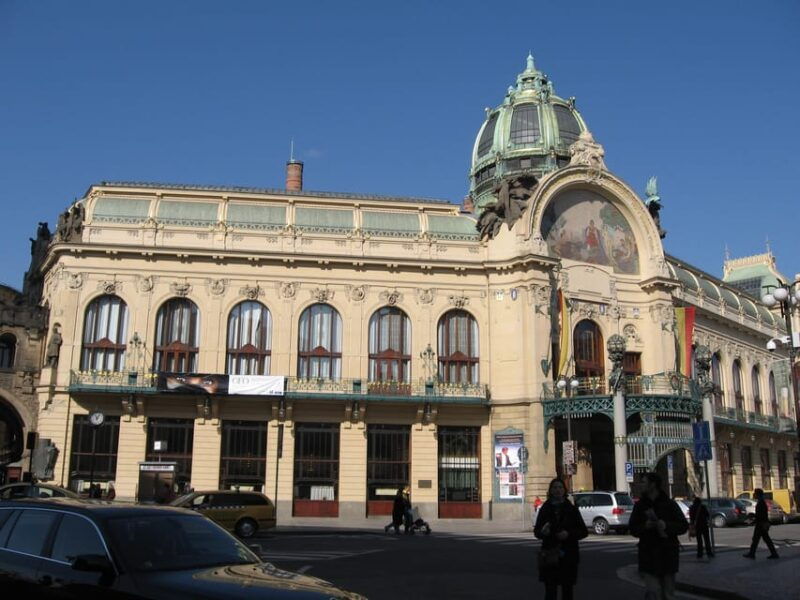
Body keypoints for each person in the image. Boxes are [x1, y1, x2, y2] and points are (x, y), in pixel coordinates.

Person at [629, 472, 688, 600]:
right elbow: (633, 528)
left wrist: (666, 525)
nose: (641, 485)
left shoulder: (669, 504)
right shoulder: (640, 505)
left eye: (644, 482)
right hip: (648, 555)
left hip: (667, 554)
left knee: (668, 594)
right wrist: (645, 526)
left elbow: (683, 526)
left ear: (653, 485)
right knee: (654, 592)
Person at [534, 477, 588, 600]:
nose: (557, 490)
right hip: (550, 554)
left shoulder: (571, 509)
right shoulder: (545, 508)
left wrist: (568, 534)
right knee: (550, 591)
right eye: (554, 488)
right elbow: (537, 532)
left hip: (568, 554)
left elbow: (583, 531)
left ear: (564, 490)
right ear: (550, 491)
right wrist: (543, 532)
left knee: (567, 591)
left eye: (560, 487)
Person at [743, 488, 779, 559]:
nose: (754, 494)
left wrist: (753, 516)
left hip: (761, 524)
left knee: (758, 539)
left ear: (758, 494)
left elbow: (761, 515)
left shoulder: (761, 503)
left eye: (755, 493)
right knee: (761, 539)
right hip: (762, 523)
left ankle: (752, 554)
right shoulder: (761, 502)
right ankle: (773, 553)